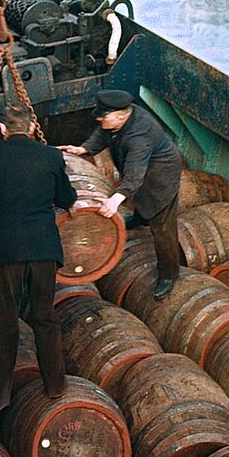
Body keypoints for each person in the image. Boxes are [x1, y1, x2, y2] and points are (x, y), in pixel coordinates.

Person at [0, 103, 77, 418]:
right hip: (43, 250)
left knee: (2, 324)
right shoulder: (51, 156)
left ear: (2, 130)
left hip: (5, 252)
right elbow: (67, 199)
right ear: (30, 127)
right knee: (44, 318)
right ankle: (55, 385)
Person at [60, 89, 183, 301]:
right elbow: (103, 132)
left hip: (160, 178)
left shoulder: (140, 137)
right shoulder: (117, 119)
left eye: (103, 115)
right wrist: (83, 150)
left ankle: (169, 274)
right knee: (141, 203)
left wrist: (115, 200)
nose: (99, 118)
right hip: (143, 173)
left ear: (121, 115)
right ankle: (141, 217)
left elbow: (135, 176)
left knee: (163, 229)